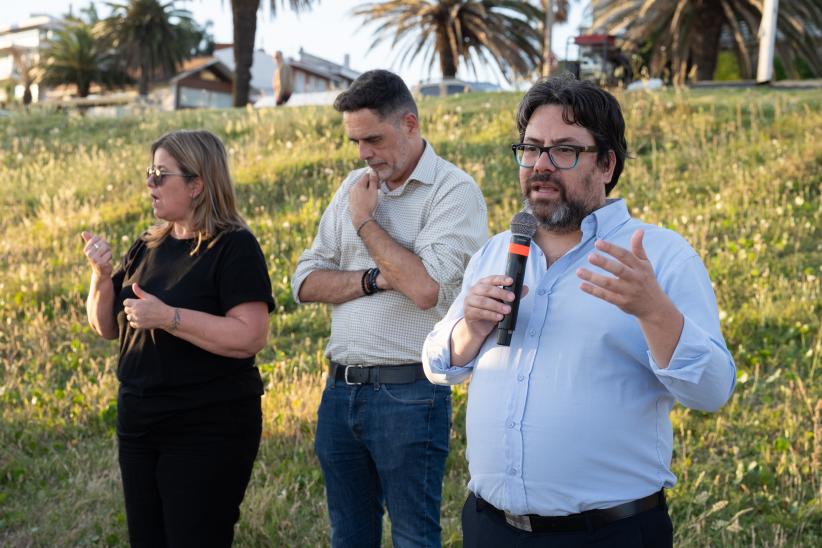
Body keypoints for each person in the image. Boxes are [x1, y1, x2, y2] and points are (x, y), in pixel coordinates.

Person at [422, 76, 736, 547]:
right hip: (489, 528)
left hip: (608, 534)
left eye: (564, 151)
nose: (541, 165)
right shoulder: (495, 253)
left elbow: (712, 391)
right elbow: (437, 364)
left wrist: (654, 311)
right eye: (530, 149)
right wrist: (471, 326)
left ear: (607, 163)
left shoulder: (661, 256)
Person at [291, 69, 487, 547]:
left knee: (414, 538)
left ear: (410, 124)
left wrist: (364, 224)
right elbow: (304, 282)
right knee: (348, 536)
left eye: (372, 139)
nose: (363, 154)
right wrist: (375, 278)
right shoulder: (353, 187)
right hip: (339, 392)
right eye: (355, 142)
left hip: (410, 393)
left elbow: (424, 288)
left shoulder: (452, 192)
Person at [81, 129, 274, 547]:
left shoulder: (234, 247)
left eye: (159, 174)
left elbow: (250, 335)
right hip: (140, 420)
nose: (149, 184)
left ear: (196, 184)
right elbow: (106, 327)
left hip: (206, 425)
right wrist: (100, 278)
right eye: (150, 172)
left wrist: (169, 318)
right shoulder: (148, 245)